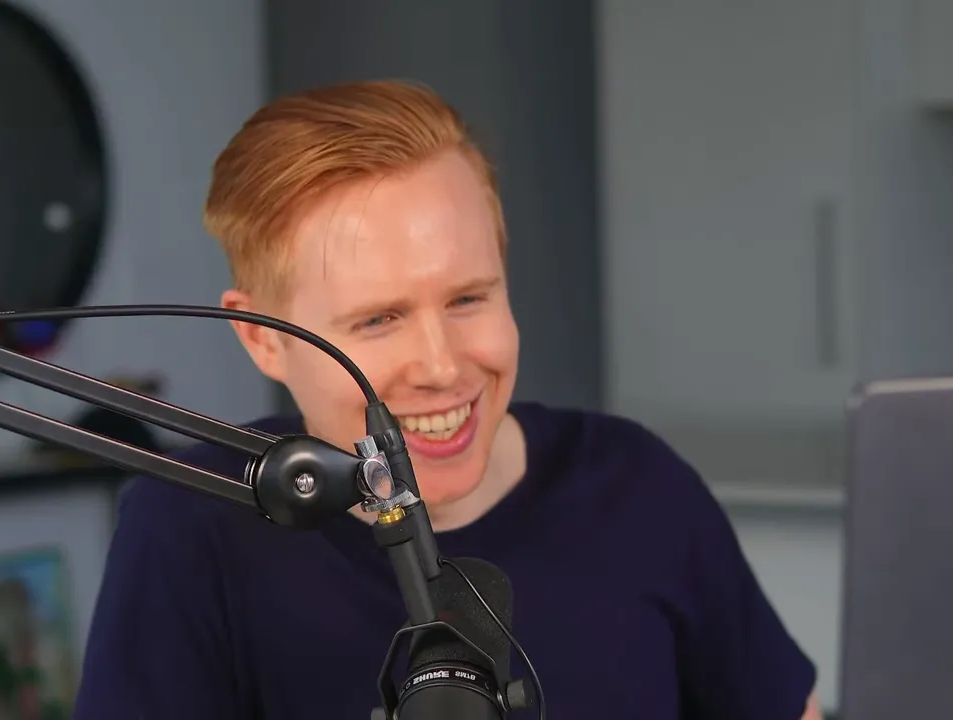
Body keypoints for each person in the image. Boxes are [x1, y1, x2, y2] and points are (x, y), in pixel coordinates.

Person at [73, 79, 823, 719]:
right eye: (377, 320)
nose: (440, 366)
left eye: (468, 298)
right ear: (263, 339)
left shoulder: (640, 487)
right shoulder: (191, 527)